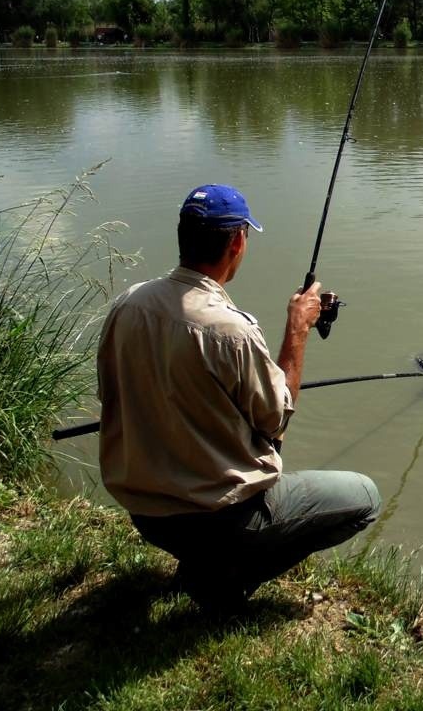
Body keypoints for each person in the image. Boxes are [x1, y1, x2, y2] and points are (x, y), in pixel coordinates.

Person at [96, 183, 380, 610]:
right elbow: (275, 419)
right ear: (237, 241)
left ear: (183, 235)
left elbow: (109, 393)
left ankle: (202, 564)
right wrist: (298, 329)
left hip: (146, 512)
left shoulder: (127, 304)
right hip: (216, 521)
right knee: (365, 498)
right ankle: (225, 581)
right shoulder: (231, 331)